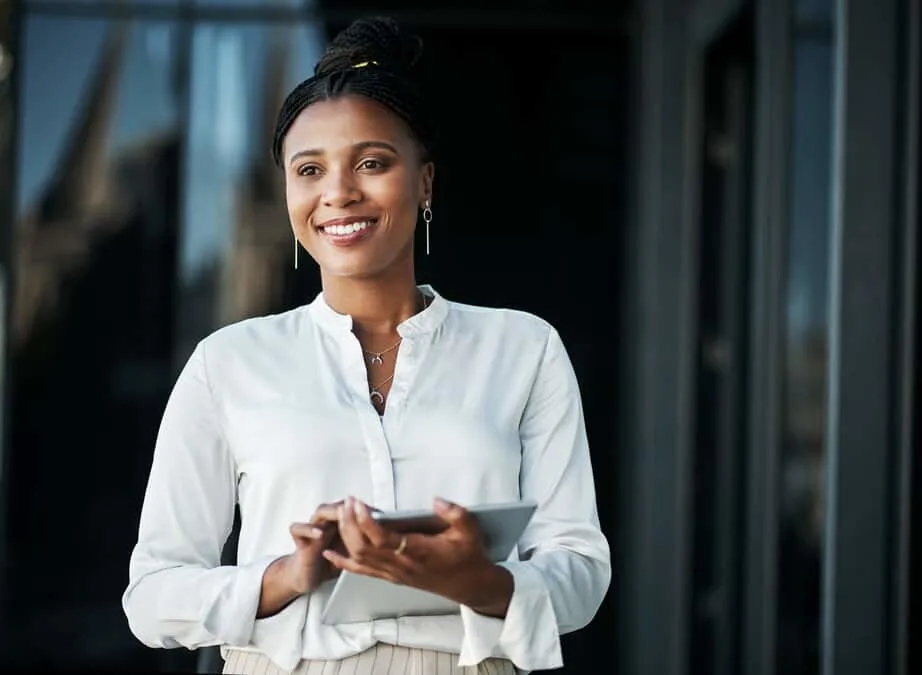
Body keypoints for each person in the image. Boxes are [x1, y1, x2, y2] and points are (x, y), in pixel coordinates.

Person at [122, 16, 610, 675]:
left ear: (426, 181)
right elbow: (152, 595)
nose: (338, 192)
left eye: (372, 162)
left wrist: (474, 578)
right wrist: (285, 575)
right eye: (309, 169)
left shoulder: (523, 348)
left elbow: (580, 574)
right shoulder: (227, 363)